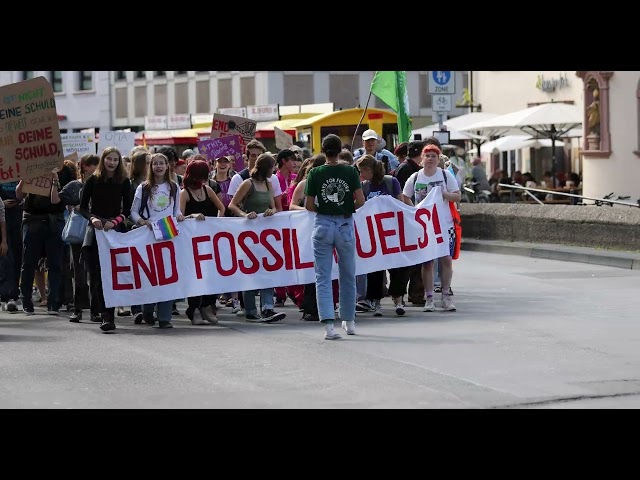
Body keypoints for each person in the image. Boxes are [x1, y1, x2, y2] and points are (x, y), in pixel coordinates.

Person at [305, 134, 365, 340]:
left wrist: (325, 207)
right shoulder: (350, 171)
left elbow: (309, 205)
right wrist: (347, 206)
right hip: (345, 224)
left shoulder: (314, 173)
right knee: (348, 275)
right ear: (340, 150)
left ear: (323, 151)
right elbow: (361, 200)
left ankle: (329, 325)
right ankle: (349, 321)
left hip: (323, 224)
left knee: (323, 276)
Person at [228, 153, 286, 324]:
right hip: (248, 235)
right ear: (264, 167)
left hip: (264, 234)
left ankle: (268, 308)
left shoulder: (268, 184)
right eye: (272, 167)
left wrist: (271, 211)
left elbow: (275, 207)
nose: (274, 170)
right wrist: (245, 214)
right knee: (251, 271)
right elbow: (232, 205)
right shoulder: (248, 184)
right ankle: (251, 310)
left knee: (267, 270)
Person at [79, 147, 133, 332]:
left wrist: (116, 221)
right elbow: (83, 208)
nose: (112, 162)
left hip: (115, 230)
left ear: (119, 163)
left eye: (115, 160)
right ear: (103, 160)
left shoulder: (124, 181)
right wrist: (93, 218)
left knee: (113, 273)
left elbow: (127, 210)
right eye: (109, 159)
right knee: (97, 273)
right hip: (96, 230)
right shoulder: (93, 180)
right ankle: (104, 314)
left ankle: (110, 313)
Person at [402, 144, 461, 312]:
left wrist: (444, 194)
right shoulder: (415, 177)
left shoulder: (445, 176)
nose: (430, 159)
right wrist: (414, 210)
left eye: (433, 156)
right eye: (427, 156)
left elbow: (457, 196)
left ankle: (445, 296)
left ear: (438, 159)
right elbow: (405, 196)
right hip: (425, 227)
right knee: (427, 263)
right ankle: (429, 298)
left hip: (445, 224)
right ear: (422, 159)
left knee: (446, 260)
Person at [130, 153, 185, 329]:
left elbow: (175, 210)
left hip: (168, 233)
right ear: (150, 167)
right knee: (151, 275)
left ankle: (164, 317)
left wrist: (180, 216)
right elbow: (133, 212)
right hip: (149, 234)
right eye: (155, 164)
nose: (159, 167)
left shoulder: (174, 187)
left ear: (167, 166)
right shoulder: (143, 188)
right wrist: (142, 222)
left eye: (162, 163)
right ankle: (147, 308)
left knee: (168, 275)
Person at [356, 154, 406, 316]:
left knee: (397, 268)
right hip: (373, 234)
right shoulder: (364, 186)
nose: (362, 174)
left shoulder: (391, 182)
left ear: (371, 169)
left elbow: (399, 204)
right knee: (375, 270)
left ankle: (398, 299)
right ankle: (376, 302)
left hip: (392, 232)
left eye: (363, 171)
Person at [52, 154, 99, 322]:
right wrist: (54, 181)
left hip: (96, 231)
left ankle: (95, 311)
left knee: (94, 273)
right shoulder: (74, 186)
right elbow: (56, 200)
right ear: (85, 166)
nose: (96, 167)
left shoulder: (101, 184)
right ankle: (77, 309)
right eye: (93, 164)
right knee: (78, 272)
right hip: (79, 233)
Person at [179, 159, 226, 325]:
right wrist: (192, 217)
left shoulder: (207, 190)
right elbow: (179, 217)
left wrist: (218, 222)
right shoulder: (184, 194)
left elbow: (221, 207)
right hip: (192, 242)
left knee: (211, 274)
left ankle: (206, 305)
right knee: (195, 275)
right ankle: (194, 309)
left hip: (209, 239)